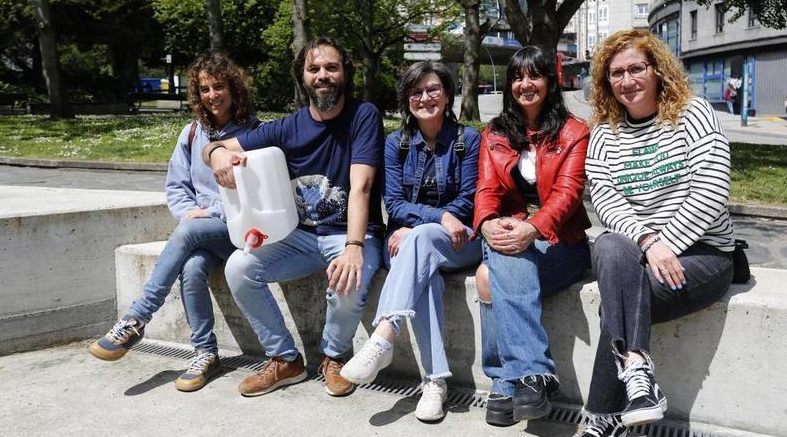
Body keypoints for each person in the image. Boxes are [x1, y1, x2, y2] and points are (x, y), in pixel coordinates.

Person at [203, 37, 384, 398]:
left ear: (344, 72)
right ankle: (285, 359)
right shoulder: (288, 127)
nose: (323, 75)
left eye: (331, 67)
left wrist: (352, 247)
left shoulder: (363, 116)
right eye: (313, 69)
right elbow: (216, 147)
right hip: (299, 237)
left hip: (348, 232)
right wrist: (218, 153)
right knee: (239, 266)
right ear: (302, 77)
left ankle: (333, 357)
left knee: (354, 275)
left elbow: (361, 186)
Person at [580, 29, 735, 437]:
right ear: (605, 81)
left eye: (636, 68)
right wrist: (650, 244)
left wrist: (669, 244)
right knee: (610, 244)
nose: (627, 80)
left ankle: (602, 416)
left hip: (705, 254)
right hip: (640, 251)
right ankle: (637, 374)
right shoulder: (603, 133)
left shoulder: (692, 113)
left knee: (620, 297)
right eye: (616, 73)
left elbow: (712, 188)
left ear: (657, 69)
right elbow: (607, 201)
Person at [88, 52, 260, 392]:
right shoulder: (192, 133)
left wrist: (207, 213)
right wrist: (188, 213)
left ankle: (137, 317)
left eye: (220, 86)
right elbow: (176, 186)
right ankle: (205, 353)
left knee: (191, 229)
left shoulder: (256, 132)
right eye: (205, 88)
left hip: (242, 230)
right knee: (193, 268)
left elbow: (257, 196)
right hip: (202, 234)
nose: (213, 95)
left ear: (234, 89)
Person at [338, 62, 481, 421]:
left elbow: (468, 200)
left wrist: (429, 223)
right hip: (408, 244)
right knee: (426, 277)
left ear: (447, 95)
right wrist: (432, 219)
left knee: (422, 240)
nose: (425, 98)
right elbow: (394, 203)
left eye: (433, 90)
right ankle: (435, 382)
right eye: (416, 92)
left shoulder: (468, 139)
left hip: (460, 242)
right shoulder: (396, 144)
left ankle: (384, 335)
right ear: (407, 100)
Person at [472, 45, 592, 426]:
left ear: (549, 82)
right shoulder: (493, 132)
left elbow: (568, 194)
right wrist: (487, 222)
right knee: (495, 265)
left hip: (563, 242)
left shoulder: (574, 131)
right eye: (518, 77)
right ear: (509, 85)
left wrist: (533, 228)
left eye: (534, 76)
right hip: (510, 234)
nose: (525, 84)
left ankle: (508, 382)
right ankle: (530, 378)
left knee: (491, 276)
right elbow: (486, 188)